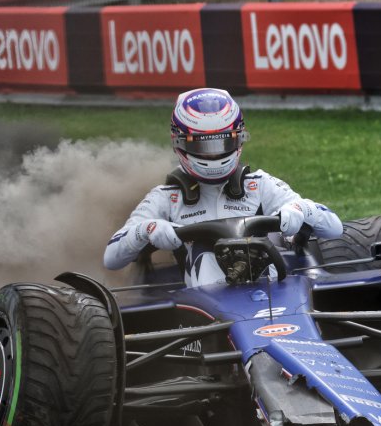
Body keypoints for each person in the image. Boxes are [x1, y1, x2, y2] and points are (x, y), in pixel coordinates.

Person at [104, 88, 343, 287]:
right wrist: (147, 229)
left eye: (224, 142)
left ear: (239, 139)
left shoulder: (259, 184)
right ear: (179, 142)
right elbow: (111, 258)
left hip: (273, 292)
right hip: (201, 314)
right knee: (205, 256)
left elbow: (335, 228)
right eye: (205, 146)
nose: (215, 154)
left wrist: (300, 209)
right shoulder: (167, 198)